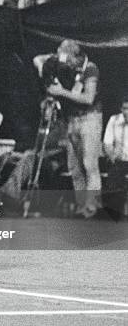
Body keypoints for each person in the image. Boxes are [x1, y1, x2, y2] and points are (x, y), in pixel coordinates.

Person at [35, 39, 102, 218]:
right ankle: (82, 207)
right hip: (71, 119)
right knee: (74, 166)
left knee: (89, 163)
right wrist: (52, 60)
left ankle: (92, 206)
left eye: (69, 61)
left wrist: (61, 92)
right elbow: (37, 59)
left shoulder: (90, 68)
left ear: (77, 57)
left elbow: (88, 98)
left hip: (90, 118)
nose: (67, 66)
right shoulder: (63, 63)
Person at [102, 96, 128, 219]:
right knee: (112, 180)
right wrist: (112, 155)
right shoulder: (114, 120)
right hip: (119, 161)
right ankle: (114, 217)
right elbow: (107, 143)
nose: (127, 112)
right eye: (125, 108)